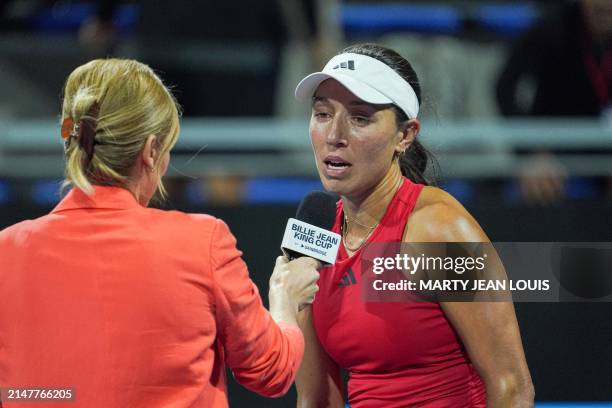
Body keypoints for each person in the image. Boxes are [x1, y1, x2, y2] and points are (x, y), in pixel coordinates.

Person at [0, 59, 320, 407]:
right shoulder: (202, 241)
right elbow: (270, 371)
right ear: (151, 151)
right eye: (168, 148)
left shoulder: (6, 250)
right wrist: (286, 301)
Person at [293, 44, 534, 407]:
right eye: (323, 114)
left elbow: (512, 386)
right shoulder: (314, 232)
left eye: (360, 118)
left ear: (405, 136)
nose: (334, 135)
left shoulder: (437, 228)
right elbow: (316, 397)